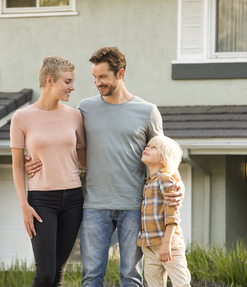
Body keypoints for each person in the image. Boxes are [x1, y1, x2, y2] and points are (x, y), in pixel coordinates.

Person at [25, 47, 184, 287]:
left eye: (103, 77)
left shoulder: (147, 111)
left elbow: (164, 154)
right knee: (90, 278)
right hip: (94, 206)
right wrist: (34, 159)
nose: (97, 83)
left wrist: (177, 184)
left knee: (131, 277)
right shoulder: (85, 108)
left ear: (120, 73)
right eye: (94, 77)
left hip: (133, 206)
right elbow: (64, 140)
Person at [10, 56, 86, 287]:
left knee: (57, 273)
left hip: (73, 199)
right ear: (50, 80)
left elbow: (84, 159)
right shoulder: (21, 117)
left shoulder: (75, 115)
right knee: (44, 274)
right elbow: (17, 165)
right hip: (41, 200)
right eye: (68, 81)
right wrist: (24, 205)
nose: (73, 87)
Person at [138, 136, 191, 287]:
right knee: (154, 283)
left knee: (181, 283)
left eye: (153, 148)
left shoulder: (166, 180)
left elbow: (172, 214)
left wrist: (166, 243)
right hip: (149, 245)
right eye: (147, 146)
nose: (147, 148)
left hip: (168, 243)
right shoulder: (147, 182)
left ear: (164, 159)